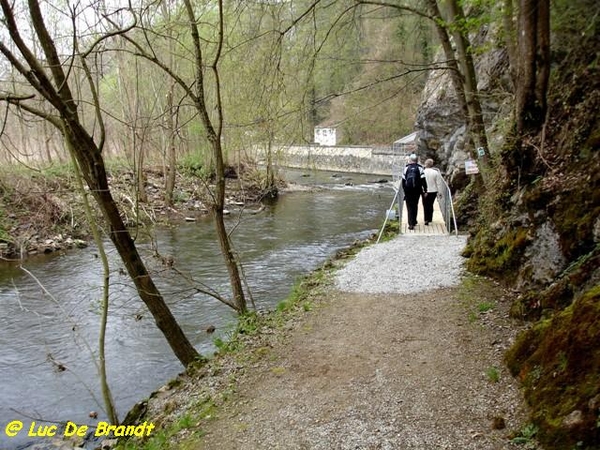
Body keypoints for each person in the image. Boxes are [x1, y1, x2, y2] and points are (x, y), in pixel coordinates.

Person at [402, 154, 427, 230]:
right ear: (417, 160)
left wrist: (404, 190)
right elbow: (423, 181)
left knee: (409, 206)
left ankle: (410, 224)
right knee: (415, 205)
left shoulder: (406, 168)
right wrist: (425, 190)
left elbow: (403, 181)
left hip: (408, 190)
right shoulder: (420, 168)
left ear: (410, 160)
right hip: (417, 190)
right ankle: (414, 221)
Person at [422, 158, 445, 225]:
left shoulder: (422, 172)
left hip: (424, 191)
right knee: (431, 204)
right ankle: (430, 218)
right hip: (433, 191)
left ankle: (426, 219)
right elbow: (439, 183)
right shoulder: (435, 172)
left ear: (426, 164)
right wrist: (440, 192)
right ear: (432, 165)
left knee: (425, 205)